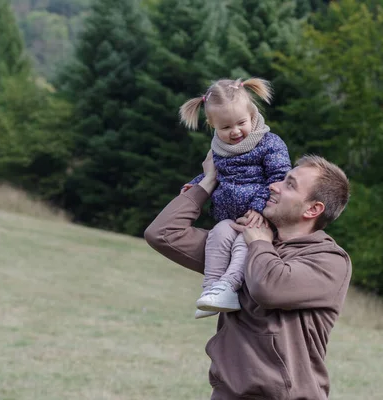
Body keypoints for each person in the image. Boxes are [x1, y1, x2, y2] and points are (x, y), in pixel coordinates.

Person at [144, 150, 352, 399]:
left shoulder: (329, 260)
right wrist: (209, 181)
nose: (273, 185)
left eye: (289, 185)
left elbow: (270, 288)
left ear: (313, 209)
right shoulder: (243, 242)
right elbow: (163, 233)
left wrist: (259, 244)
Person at [178, 77, 292, 319]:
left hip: (258, 218)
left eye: (241, 123)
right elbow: (215, 175)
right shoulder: (219, 149)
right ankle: (211, 289)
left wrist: (259, 207)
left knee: (245, 244)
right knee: (217, 236)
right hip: (229, 217)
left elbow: (279, 177)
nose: (235, 131)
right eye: (226, 127)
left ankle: (229, 287)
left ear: (252, 114)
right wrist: (196, 184)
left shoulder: (268, 143)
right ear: (212, 125)